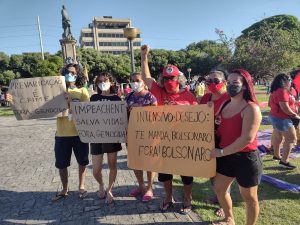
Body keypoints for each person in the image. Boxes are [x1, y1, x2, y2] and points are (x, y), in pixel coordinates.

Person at [140, 44, 197, 214]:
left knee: (186, 174)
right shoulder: (158, 90)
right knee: (165, 174)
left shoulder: (189, 96)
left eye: (172, 78)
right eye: (165, 78)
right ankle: (168, 196)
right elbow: (146, 77)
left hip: (184, 142)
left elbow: (199, 119)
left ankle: (187, 198)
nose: (169, 82)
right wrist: (144, 57)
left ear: (178, 79)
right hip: (162, 142)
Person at [210, 69, 262, 225]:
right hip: (225, 156)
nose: (231, 85)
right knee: (219, 189)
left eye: (235, 82)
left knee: (249, 197)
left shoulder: (251, 108)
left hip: (245, 158)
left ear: (245, 86)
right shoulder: (225, 103)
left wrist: (221, 152)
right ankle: (229, 219)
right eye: (229, 82)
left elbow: (247, 138)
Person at [53, 63, 90, 201]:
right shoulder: (56, 91)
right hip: (61, 134)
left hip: (80, 133)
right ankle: (65, 188)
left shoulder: (82, 91)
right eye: (68, 72)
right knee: (61, 164)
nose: (70, 74)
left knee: (82, 162)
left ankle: (81, 186)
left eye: (73, 73)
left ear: (78, 75)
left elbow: (86, 110)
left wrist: (70, 104)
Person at [199, 68, 230, 218]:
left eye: (216, 80)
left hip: (225, 143)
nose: (212, 83)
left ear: (224, 82)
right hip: (209, 142)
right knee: (212, 172)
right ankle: (217, 197)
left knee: (224, 175)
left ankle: (224, 205)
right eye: (208, 81)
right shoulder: (205, 98)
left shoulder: (230, 98)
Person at [90, 72, 122, 204]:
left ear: (112, 83)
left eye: (106, 80)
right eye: (100, 81)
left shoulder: (116, 99)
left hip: (112, 137)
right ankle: (101, 184)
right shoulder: (93, 98)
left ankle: (110, 189)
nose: (103, 83)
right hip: (96, 137)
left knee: (112, 164)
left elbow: (121, 119)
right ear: (97, 84)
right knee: (96, 170)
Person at [125, 72, 158, 202]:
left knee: (149, 162)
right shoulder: (128, 97)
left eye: (137, 80)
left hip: (149, 135)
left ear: (144, 82)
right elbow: (123, 116)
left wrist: (143, 110)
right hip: (133, 135)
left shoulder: (151, 97)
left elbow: (157, 115)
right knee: (135, 162)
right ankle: (141, 186)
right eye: (132, 81)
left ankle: (150, 188)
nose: (135, 83)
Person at [268, 73, 298, 169]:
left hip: (275, 117)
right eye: (289, 81)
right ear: (284, 81)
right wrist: (295, 115)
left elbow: (269, 104)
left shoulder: (275, 90)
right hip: (282, 119)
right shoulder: (282, 91)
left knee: (278, 137)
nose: (291, 83)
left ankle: (276, 155)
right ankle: (284, 161)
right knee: (291, 139)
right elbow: (284, 107)